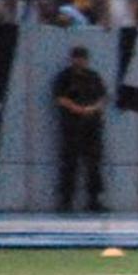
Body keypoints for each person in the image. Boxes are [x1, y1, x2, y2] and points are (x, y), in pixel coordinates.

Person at [53, 46, 108, 214]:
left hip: (92, 125)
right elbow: (60, 98)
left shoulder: (93, 76)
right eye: (77, 57)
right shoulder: (64, 77)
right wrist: (78, 109)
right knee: (70, 163)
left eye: (83, 58)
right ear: (72, 59)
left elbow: (102, 97)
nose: (80, 61)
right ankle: (66, 201)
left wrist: (92, 109)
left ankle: (94, 200)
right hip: (72, 126)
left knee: (94, 164)